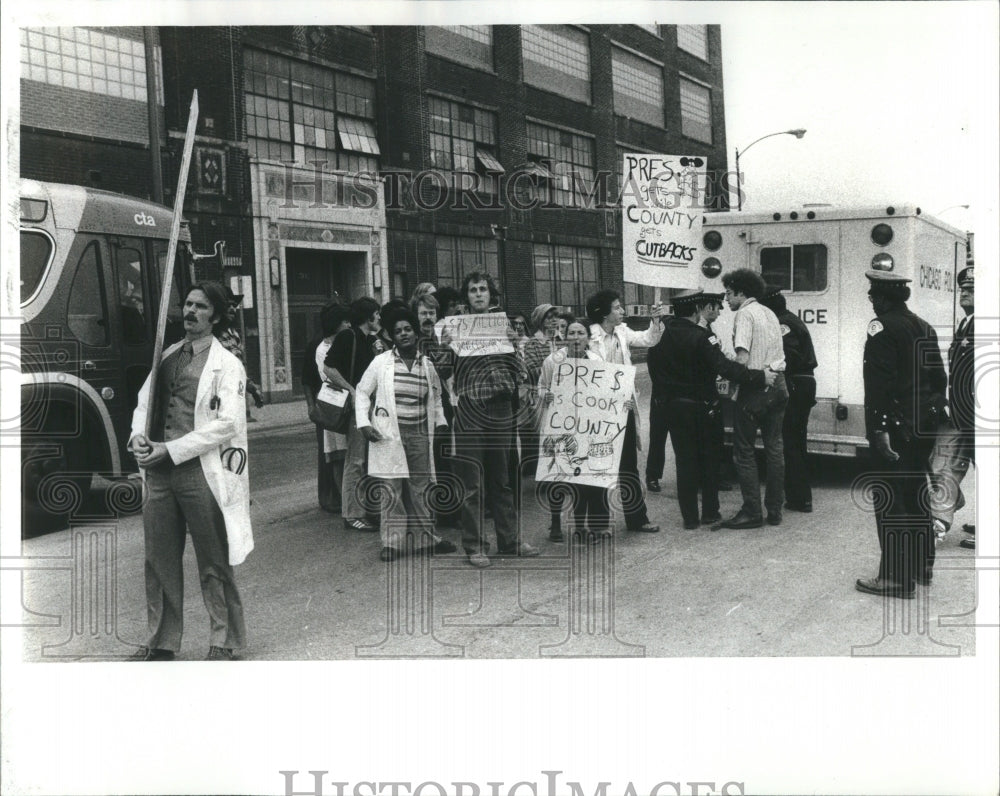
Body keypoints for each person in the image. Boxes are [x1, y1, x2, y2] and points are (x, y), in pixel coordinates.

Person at [128, 282, 252, 661]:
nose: (190, 311)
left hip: (201, 470)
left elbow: (226, 423)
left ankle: (225, 639)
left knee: (213, 557)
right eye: (187, 303)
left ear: (214, 315)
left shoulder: (227, 365)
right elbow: (144, 402)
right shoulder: (166, 356)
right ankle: (162, 640)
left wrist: (173, 448)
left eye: (200, 306)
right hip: (160, 474)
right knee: (159, 558)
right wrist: (137, 436)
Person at [856, 271, 946, 598]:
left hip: (895, 427)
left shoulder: (881, 329)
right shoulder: (924, 326)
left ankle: (895, 577)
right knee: (915, 494)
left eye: (872, 296)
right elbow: (939, 381)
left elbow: (877, 385)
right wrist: (930, 413)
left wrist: (878, 429)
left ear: (882, 298)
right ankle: (922, 566)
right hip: (924, 425)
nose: (871, 301)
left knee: (892, 498)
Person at [657, 290, 775, 529]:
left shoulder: (665, 336)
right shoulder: (702, 337)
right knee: (710, 460)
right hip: (703, 407)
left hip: (675, 407)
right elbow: (724, 366)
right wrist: (760, 376)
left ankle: (689, 518)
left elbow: (653, 366)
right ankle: (710, 512)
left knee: (685, 462)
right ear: (695, 310)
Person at [449, 271, 538, 567]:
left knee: (501, 478)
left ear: (491, 295)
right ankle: (475, 546)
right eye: (473, 289)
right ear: (466, 296)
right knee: (472, 481)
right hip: (471, 408)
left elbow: (522, 371)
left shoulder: (504, 326)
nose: (478, 294)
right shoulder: (455, 327)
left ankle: (509, 541)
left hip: (500, 407)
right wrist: (445, 344)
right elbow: (439, 369)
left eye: (483, 289)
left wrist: (515, 344)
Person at [354, 310, 458, 561]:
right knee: (391, 489)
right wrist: (364, 423)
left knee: (420, 487)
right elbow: (361, 391)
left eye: (407, 329)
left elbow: (435, 399)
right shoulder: (381, 362)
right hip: (389, 435)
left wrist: (441, 422)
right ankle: (392, 543)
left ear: (415, 332)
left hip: (420, 434)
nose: (403, 334)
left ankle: (426, 538)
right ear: (393, 336)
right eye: (398, 331)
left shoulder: (427, 364)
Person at [586, 289, 664, 533]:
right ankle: (599, 525)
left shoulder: (622, 331)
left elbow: (648, 339)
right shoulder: (588, 336)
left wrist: (656, 320)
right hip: (599, 412)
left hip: (624, 407)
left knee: (628, 465)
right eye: (617, 307)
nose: (622, 311)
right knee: (599, 466)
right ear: (603, 313)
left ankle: (637, 519)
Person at [719, 269, 788, 529]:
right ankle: (775, 510)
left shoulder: (744, 315)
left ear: (740, 292)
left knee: (744, 451)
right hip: (779, 384)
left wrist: (732, 378)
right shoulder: (769, 312)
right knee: (774, 448)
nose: (726, 299)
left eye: (728, 293)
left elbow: (743, 359)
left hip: (756, 387)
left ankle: (751, 511)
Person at [538, 318, 610, 544]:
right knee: (557, 475)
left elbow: (606, 391)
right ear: (565, 336)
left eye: (580, 333)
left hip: (585, 426)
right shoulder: (553, 360)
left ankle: (580, 526)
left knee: (582, 477)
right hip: (559, 425)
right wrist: (544, 395)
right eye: (571, 333)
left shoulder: (596, 360)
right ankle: (556, 524)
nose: (576, 337)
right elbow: (541, 386)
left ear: (588, 338)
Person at [324, 297, 385, 532]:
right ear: (368, 316)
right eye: (376, 314)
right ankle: (352, 514)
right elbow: (328, 367)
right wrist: (351, 390)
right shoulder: (348, 336)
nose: (379, 318)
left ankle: (368, 509)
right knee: (356, 459)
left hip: (371, 405)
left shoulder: (370, 340)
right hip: (357, 407)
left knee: (368, 460)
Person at [759, 284, 819, 513]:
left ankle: (799, 497)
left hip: (795, 382)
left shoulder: (782, 324)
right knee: (796, 442)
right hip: (803, 383)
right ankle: (800, 495)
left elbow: (788, 357)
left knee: (791, 443)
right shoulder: (788, 319)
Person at [930, 265, 976, 549]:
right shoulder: (966, 323)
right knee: (944, 463)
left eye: (972, 290)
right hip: (961, 411)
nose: (965, 293)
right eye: (963, 289)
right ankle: (940, 519)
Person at [302, 301, 352, 514]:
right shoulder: (319, 347)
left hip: (341, 403)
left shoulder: (344, 341)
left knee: (342, 452)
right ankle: (338, 498)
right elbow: (314, 377)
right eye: (345, 321)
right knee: (334, 453)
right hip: (332, 403)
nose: (349, 324)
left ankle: (344, 497)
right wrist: (312, 406)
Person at [522, 303, 564, 535]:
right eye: (548, 317)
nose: (553, 321)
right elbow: (531, 369)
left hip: (560, 397)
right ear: (540, 320)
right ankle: (547, 480)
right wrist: (552, 367)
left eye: (555, 317)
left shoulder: (558, 340)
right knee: (545, 441)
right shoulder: (533, 343)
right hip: (541, 397)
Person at [216, 287, 265, 417]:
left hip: (234, 398)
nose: (233, 309)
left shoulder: (234, 335)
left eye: (234, 306)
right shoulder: (212, 336)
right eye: (228, 305)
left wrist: (253, 389)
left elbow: (238, 370)